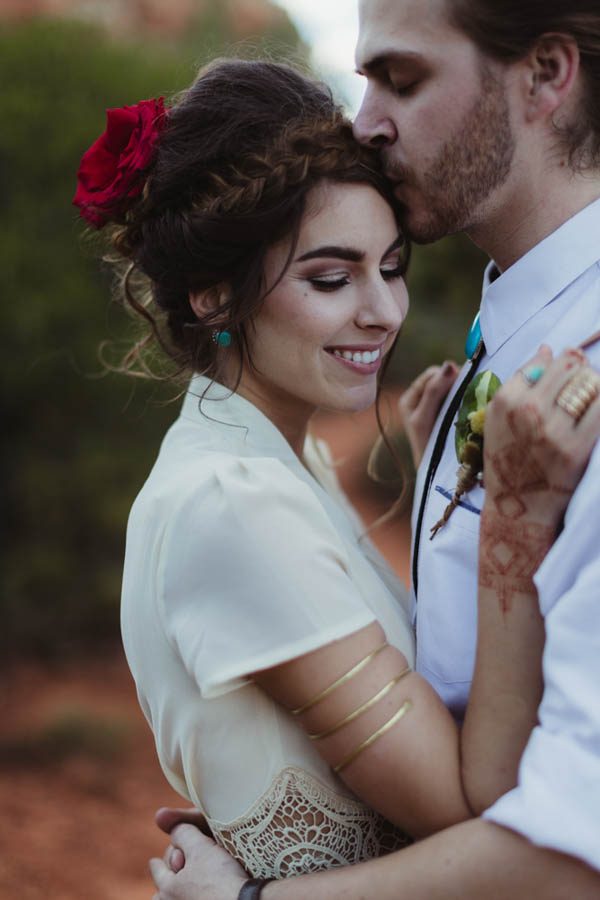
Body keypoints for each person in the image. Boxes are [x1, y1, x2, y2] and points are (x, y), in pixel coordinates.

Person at [148, 1, 600, 898]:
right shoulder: (507, 338)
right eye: (332, 275)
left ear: (547, 76)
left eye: (402, 78)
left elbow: (568, 849)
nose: (364, 123)